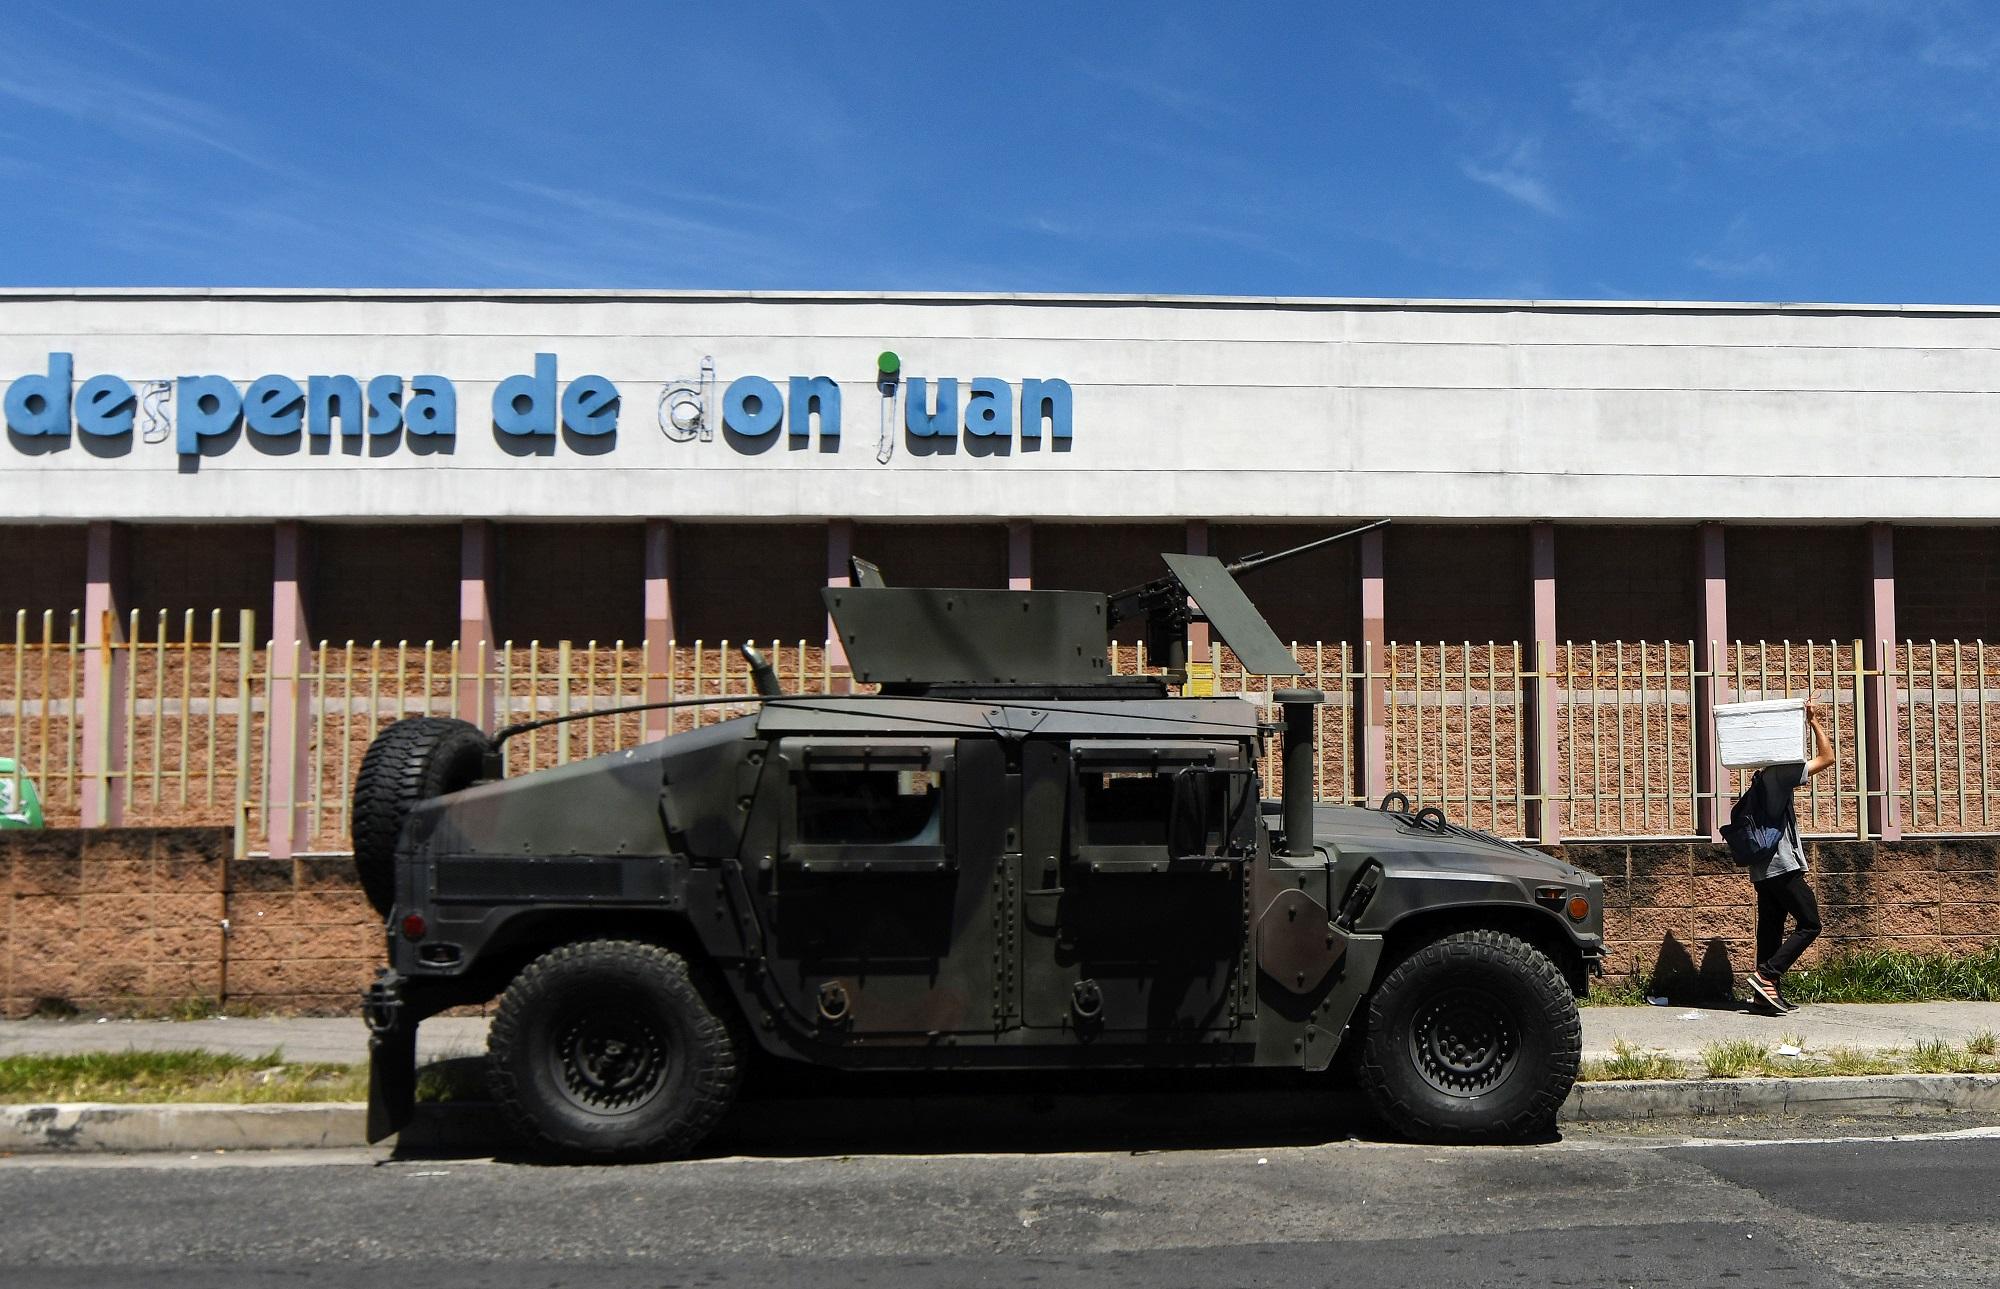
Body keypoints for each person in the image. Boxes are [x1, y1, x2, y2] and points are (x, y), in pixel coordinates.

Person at [1744, 703, 1834, 1014]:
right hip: (1781, 865)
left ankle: (1764, 996)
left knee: (1771, 928)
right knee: (1810, 923)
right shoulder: (1781, 773)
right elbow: (1828, 758)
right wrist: (1814, 722)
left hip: (1763, 868)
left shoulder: (1763, 775)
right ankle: (1767, 975)